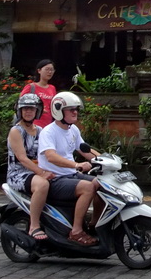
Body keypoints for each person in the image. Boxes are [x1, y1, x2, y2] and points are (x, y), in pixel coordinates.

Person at [37, 91, 102, 246]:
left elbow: (85, 150)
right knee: (88, 187)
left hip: (70, 176)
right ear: (58, 110)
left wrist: (105, 161)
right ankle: (76, 231)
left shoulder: (73, 130)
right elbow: (51, 156)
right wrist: (76, 165)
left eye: (76, 109)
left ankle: (94, 224)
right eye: (71, 109)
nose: (75, 112)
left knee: (103, 183)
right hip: (55, 179)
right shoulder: (48, 132)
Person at [6, 92, 55, 241]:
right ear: (20, 111)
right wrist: (41, 173)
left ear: (37, 111)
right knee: (42, 185)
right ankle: (34, 226)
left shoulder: (40, 131)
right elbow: (22, 158)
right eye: (25, 108)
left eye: (31, 109)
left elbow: (48, 153)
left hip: (36, 172)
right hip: (18, 174)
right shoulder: (16, 131)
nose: (28, 111)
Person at [20, 59, 56, 129]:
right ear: (39, 70)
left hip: (48, 125)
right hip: (32, 124)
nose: (50, 72)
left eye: (52, 70)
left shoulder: (52, 88)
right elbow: (20, 104)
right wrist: (37, 109)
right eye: (47, 69)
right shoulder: (31, 87)